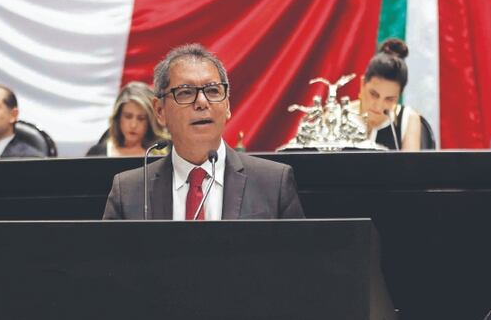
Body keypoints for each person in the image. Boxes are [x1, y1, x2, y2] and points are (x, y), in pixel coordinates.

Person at [103, 43, 305, 220]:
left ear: (227, 106)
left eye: (212, 91)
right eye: (185, 92)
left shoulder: (273, 184)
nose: (202, 102)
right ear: (160, 111)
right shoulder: (129, 192)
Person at [347, 38, 435, 150]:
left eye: (389, 99)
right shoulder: (337, 117)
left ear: (399, 97)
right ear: (362, 84)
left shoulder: (408, 119)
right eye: (374, 94)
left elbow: (412, 167)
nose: (379, 106)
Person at [86, 82, 168, 156]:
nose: (133, 125)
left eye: (141, 118)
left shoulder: (163, 154)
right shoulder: (97, 153)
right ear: (118, 117)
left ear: (150, 121)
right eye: (128, 116)